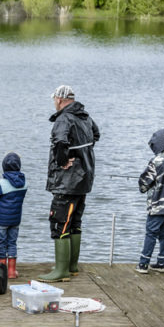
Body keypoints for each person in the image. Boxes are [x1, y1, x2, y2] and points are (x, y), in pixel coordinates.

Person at [40, 83, 99, 282]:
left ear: (59, 99)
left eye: (55, 100)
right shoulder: (86, 117)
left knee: (59, 223)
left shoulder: (64, 119)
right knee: (75, 223)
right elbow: (96, 135)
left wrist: (64, 161)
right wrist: (80, 155)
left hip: (67, 182)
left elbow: (60, 142)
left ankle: (61, 270)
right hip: (84, 180)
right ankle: (72, 266)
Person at [136, 127, 164, 273]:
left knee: (151, 232)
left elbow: (144, 184)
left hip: (157, 205)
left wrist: (142, 184)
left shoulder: (156, 161)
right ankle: (162, 263)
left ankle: (143, 263)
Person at [0, 152, 26, 278]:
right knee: (12, 243)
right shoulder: (24, 183)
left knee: (1, 244)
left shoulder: (1, 183)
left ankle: (1, 273)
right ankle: (11, 272)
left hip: (1, 221)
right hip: (15, 220)